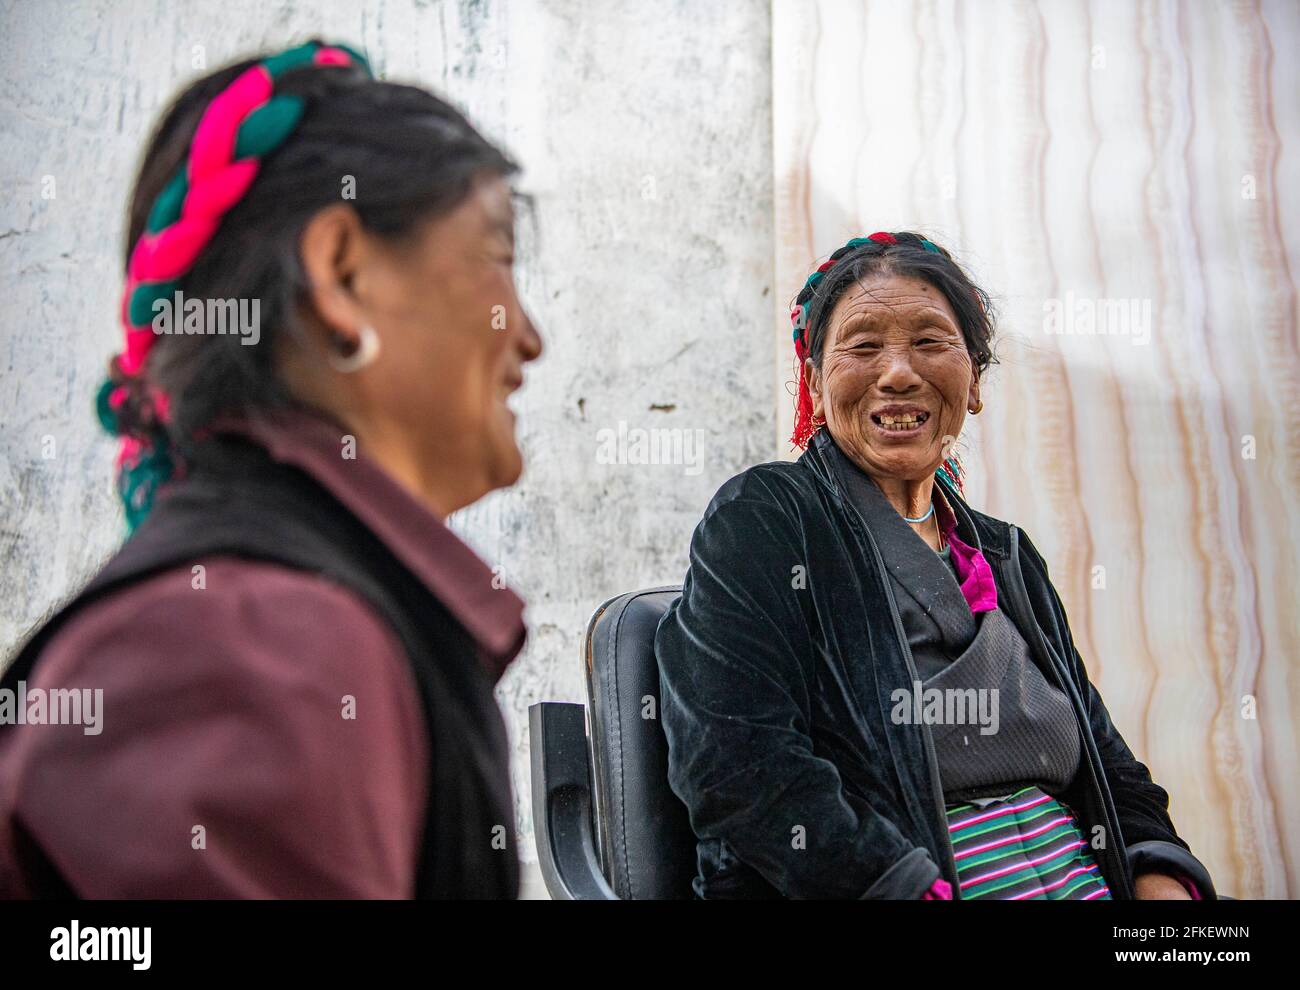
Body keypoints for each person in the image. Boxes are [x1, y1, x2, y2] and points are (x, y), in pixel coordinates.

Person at [0, 40, 542, 898]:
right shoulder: (254, 643)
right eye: (499, 258)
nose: (528, 336)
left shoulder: (282, 614)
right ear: (342, 273)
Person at [655, 231, 1215, 900]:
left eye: (929, 342)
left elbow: (1106, 760)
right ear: (815, 382)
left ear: (973, 380)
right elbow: (736, 764)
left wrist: (1161, 881)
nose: (897, 372)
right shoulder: (769, 519)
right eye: (863, 347)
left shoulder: (1008, 555)